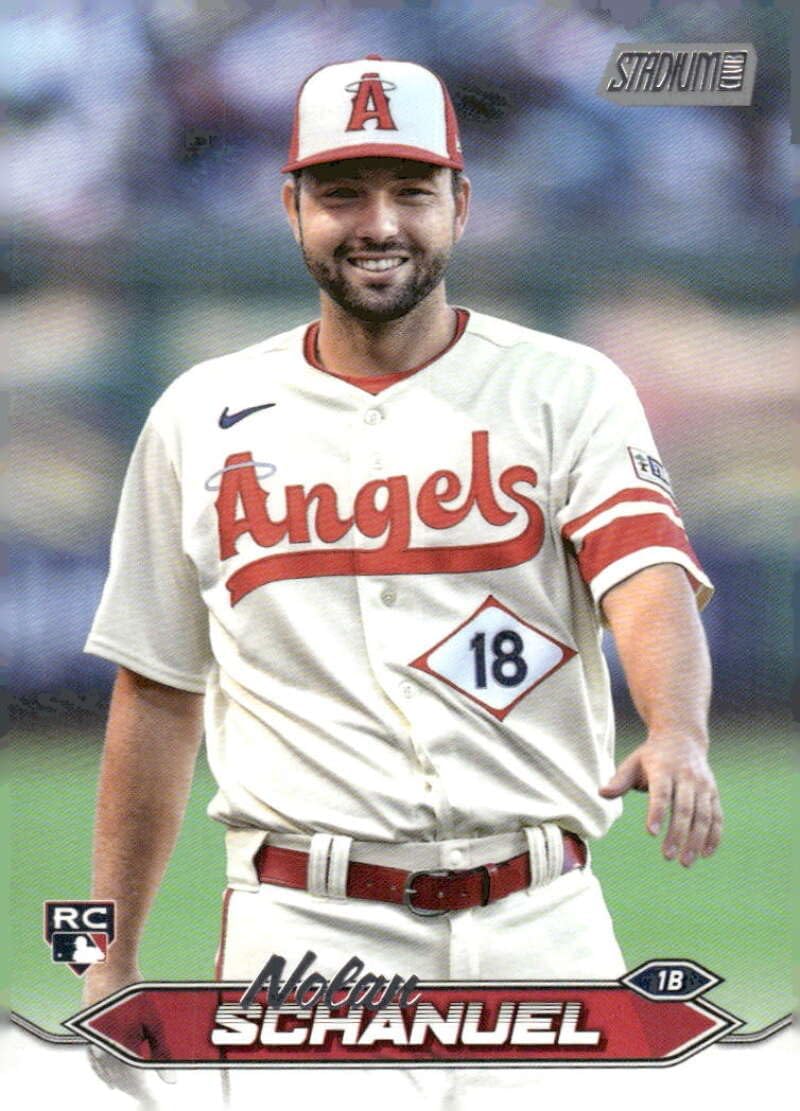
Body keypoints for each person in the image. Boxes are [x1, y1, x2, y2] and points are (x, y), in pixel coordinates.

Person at [83, 56, 722, 1106]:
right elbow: (155, 688)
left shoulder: (564, 388)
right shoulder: (199, 415)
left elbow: (643, 573)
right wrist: (105, 954)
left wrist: (678, 727)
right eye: (342, 192)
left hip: (542, 922)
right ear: (292, 208)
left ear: (459, 206)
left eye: (410, 191)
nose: (378, 223)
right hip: (307, 934)